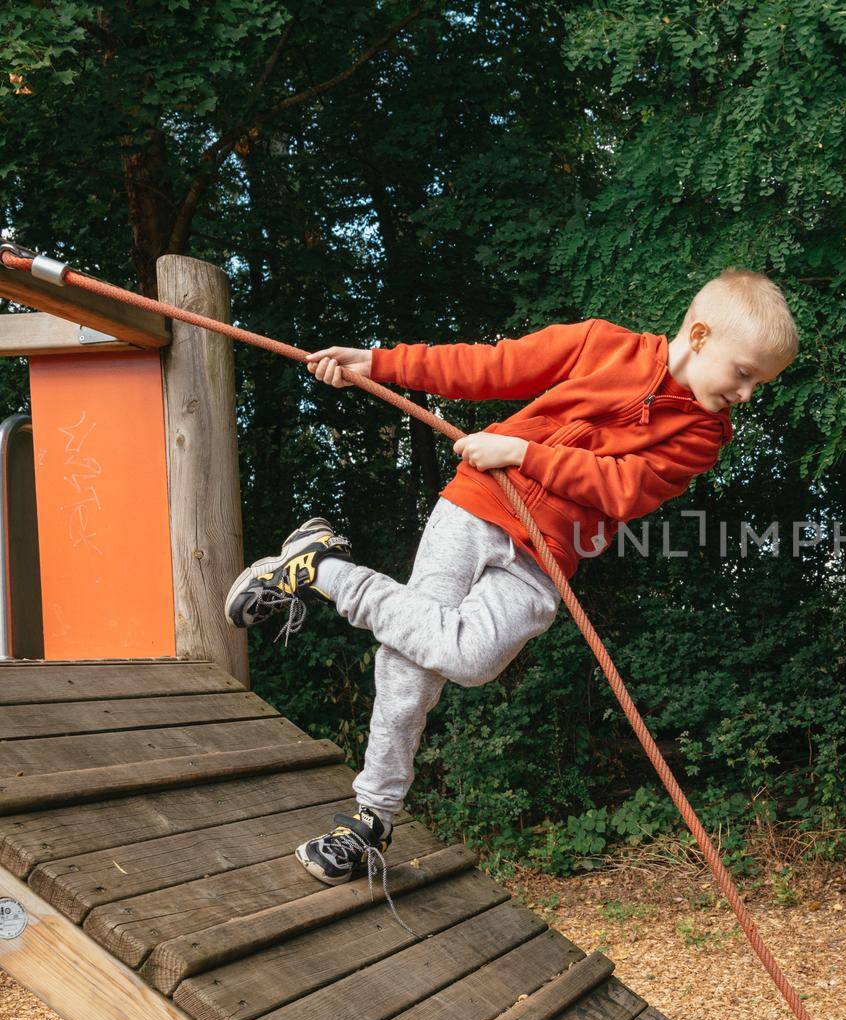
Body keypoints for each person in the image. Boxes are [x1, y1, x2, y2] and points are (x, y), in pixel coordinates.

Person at [224, 268, 798, 885]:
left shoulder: (701, 437)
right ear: (702, 335)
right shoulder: (601, 345)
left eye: (758, 384)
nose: (746, 395)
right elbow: (491, 368)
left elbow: (624, 489)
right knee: (408, 668)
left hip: (547, 553)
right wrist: (379, 363)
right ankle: (372, 819)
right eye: (744, 374)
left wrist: (523, 452)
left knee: (470, 658)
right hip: (478, 503)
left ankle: (320, 568)